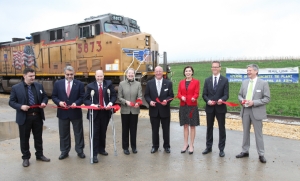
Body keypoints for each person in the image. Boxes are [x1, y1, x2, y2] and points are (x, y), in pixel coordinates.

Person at [8, 67, 50, 167]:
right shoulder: (16, 88)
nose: (33, 78)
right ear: (24, 76)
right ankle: (26, 157)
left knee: (38, 138)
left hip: (37, 116)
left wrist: (44, 102)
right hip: (24, 117)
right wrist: (20, 106)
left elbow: (45, 96)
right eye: (30, 76)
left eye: (34, 75)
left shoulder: (39, 86)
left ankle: (39, 155)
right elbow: (11, 102)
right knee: (24, 138)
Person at [236, 64, 270, 163]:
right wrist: (242, 100)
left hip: (257, 111)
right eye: (247, 71)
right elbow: (239, 95)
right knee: (245, 132)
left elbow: (267, 98)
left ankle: (261, 154)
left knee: (258, 134)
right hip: (245, 110)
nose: (248, 72)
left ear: (256, 71)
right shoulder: (244, 82)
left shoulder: (263, 83)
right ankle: (245, 151)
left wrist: (254, 102)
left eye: (250, 70)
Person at [52, 66, 85, 160]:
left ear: (74, 74)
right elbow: (54, 96)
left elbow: (82, 97)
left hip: (75, 112)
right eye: (67, 74)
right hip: (63, 112)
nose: (69, 76)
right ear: (64, 74)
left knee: (78, 133)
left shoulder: (79, 84)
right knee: (63, 133)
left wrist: (76, 103)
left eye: (71, 74)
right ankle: (64, 151)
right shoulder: (58, 84)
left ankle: (80, 150)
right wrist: (59, 102)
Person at [83, 70, 117, 163]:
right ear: (95, 76)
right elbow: (85, 99)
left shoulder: (108, 84)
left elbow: (114, 96)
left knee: (103, 132)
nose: (99, 78)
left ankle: (101, 149)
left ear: (103, 76)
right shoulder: (90, 86)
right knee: (94, 134)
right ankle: (94, 154)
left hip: (105, 112)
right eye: (98, 76)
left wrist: (110, 103)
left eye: (101, 76)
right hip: (94, 113)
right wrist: (93, 105)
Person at [144, 66, 174, 153]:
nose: (158, 73)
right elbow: (147, 95)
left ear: (162, 72)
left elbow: (171, 96)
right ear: (154, 72)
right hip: (154, 111)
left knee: (166, 130)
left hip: (165, 110)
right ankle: (155, 146)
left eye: (160, 71)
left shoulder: (168, 83)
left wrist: (166, 101)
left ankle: (166, 146)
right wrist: (150, 102)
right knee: (154, 130)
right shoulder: (150, 83)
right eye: (156, 71)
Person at [202, 61, 229, 157]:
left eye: (216, 67)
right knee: (209, 128)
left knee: (221, 128)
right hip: (210, 108)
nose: (215, 68)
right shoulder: (207, 80)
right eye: (213, 67)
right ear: (211, 68)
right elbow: (204, 94)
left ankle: (221, 149)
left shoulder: (225, 80)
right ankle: (208, 147)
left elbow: (226, 94)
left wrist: (222, 99)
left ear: (220, 68)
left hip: (220, 108)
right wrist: (208, 101)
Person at [118, 68, 143, 155]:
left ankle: (134, 147)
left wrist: (138, 103)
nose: (131, 75)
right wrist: (126, 102)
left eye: (132, 73)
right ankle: (125, 147)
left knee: (133, 130)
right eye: (129, 73)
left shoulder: (138, 84)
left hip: (134, 111)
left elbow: (140, 96)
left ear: (134, 75)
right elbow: (119, 97)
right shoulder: (121, 84)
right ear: (126, 74)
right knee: (125, 130)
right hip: (125, 111)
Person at [177, 66, 200, 154]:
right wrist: (181, 97)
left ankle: (191, 145)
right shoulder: (181, 82)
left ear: (192, 72)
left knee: (192, 126)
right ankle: (185, 144)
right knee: (185, 126)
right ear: (184, 72)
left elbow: (197, 93)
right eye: (186, 71)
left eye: (189, 71)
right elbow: (179, 93)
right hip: (183, 106)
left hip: (192, 106)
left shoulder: (196, 82)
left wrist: (194, 98)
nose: (188, 72)